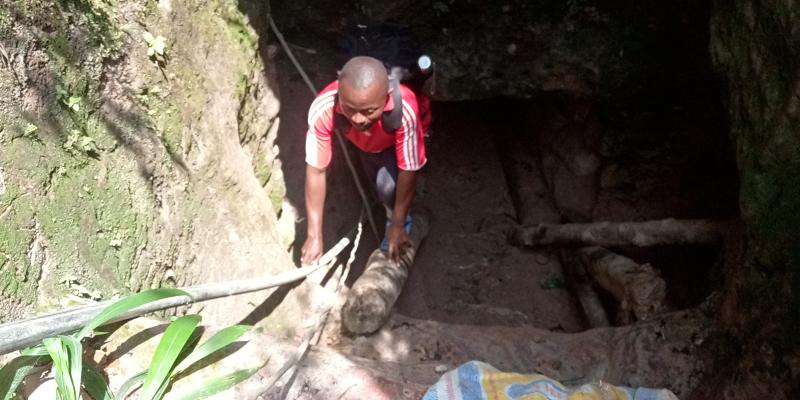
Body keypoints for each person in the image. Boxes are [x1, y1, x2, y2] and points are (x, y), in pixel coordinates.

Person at [301, 56, 427, 265]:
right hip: (363, 146)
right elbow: (316, 170)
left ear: (385, 99)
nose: (358, 118)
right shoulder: (324, 107)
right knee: (374, 181)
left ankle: (397, 219)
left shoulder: (404, 107)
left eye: (368, 111)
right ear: (340, 94)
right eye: (350, 109)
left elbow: (408, 169)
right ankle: (384, 206)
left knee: (387, 187)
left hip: (391, 146)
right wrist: (314, 235)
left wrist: (397, 224)